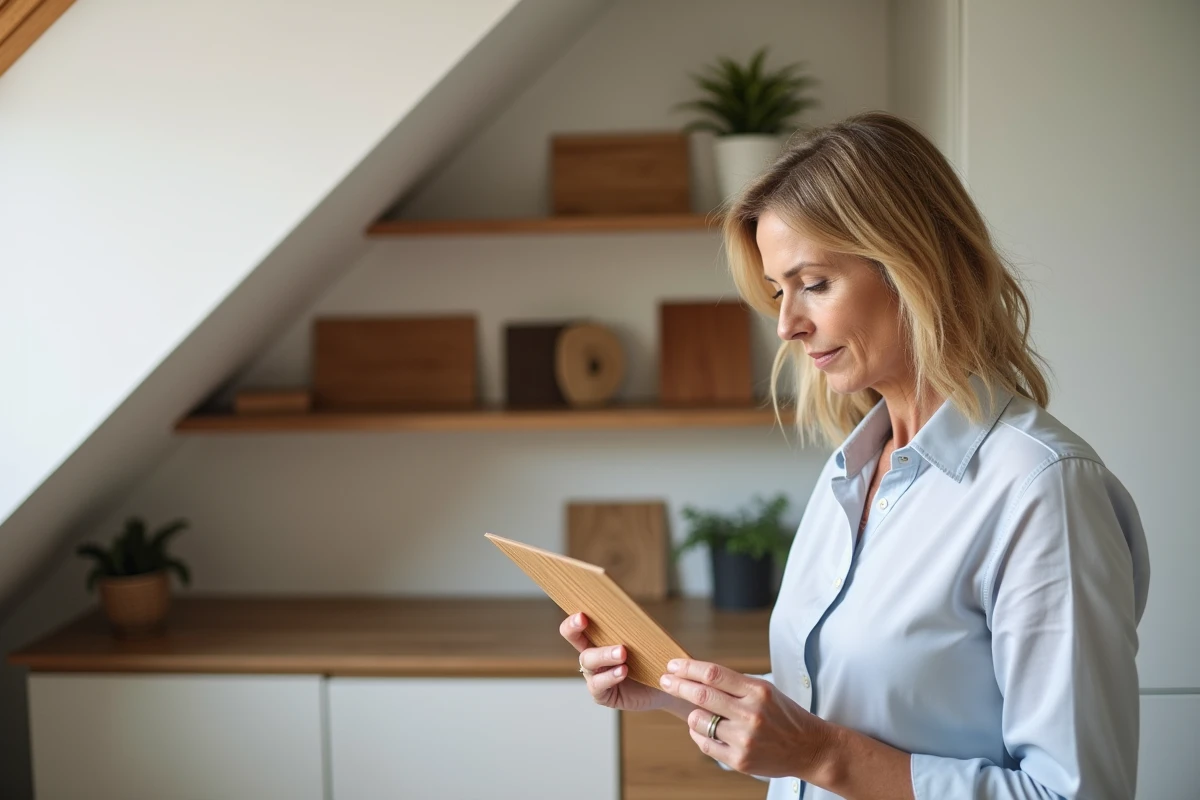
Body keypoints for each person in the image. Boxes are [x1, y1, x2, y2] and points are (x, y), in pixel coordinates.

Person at [559, 111, 1150, 799]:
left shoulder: (1042, 489)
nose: (786, 324)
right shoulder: (851, 472)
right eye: (779, 292)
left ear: (910, 264)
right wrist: (676, 690)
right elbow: (842, 699)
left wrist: (824, 756)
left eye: (814, 283)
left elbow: (1078, 793)